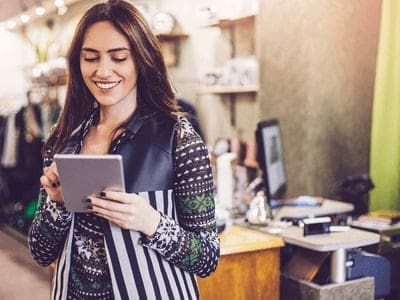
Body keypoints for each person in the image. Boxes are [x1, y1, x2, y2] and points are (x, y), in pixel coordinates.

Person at [27, 1, 219, 299]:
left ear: (141, 60)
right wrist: (58, 203)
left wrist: (151, 222)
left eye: (118, 58)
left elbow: (208, 257)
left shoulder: (179, 140)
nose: (103, 71)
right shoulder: (65, 139)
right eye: (90, 58)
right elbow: (41, 252)